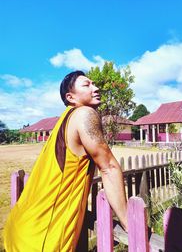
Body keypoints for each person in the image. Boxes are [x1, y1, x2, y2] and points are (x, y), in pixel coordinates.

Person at [3, 70, 127, 252]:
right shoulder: (85, 113)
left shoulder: (63, 121)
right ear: (71, 97)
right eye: (87, 85)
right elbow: (108, 167)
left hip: (20, 229)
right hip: (42, 239)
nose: (96, 87)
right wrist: (130, 223)